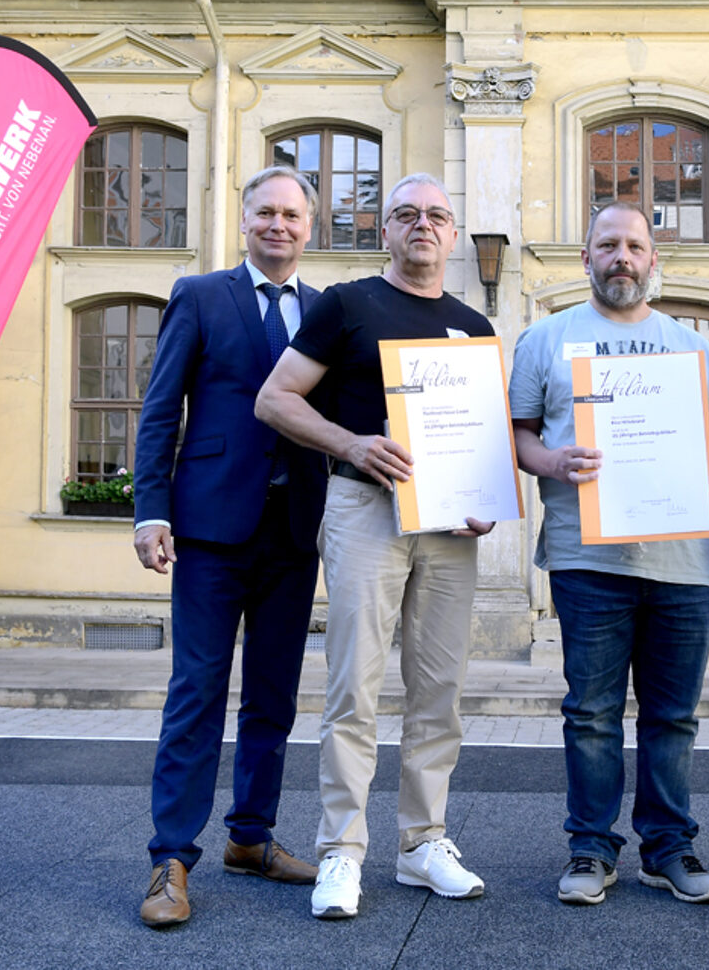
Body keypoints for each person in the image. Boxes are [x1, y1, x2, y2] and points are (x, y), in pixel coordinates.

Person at [254, 173, 496, 920]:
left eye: (437, 216)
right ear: (384, 231)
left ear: (453, 236)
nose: (422, 225)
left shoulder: (473, 325)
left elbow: (482, 436)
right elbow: (276, 398)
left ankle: (423, 844)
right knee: (353, 687)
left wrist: (481, 500)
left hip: (448, 529)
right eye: (406, 215)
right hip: (364, 509)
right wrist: (353, 445)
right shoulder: (347, 304)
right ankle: (341, 852)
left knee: (438, 692)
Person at [507, 201, 709, 906]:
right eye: (606, 245)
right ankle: (590, 850)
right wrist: (552, 462)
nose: (621, 257)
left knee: (673, 717)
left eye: (635, 245)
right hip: (586, 560)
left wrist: (678, 452)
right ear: (585, 259)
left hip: (683, 566)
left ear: (653, 260)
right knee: (591, 713)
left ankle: (668, 847)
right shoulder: (545, 340)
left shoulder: (693, 347)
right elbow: (517, 436)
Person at [132, 165, 328, 928]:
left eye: (292, 214)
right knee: (197, 693)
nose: (279, 225)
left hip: (293, 534)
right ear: (244, 220)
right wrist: (150, 512)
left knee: (274, 695)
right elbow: (159, 410)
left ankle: (251, 837)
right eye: (266, 212)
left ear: (310, 227)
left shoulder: (324, 311)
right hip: (210, 530)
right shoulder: (201, 295)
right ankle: (170, 859)